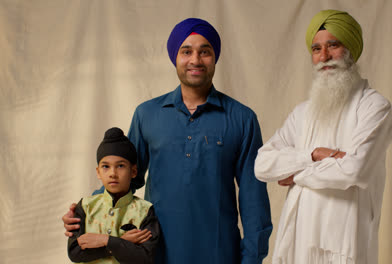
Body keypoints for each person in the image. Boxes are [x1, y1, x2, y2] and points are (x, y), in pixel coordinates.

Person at [64, 18, 272, 264]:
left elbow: (253, 199)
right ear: (175, 57)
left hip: (219, 251)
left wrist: (252, 259)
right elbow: (124, 176)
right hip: (156, 250)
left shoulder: (242, 118)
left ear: (214, 57)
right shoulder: (147, 114)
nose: (195, 60)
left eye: (204, 51)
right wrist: (86, 210)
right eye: (186, 51)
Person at [254, 10, 392, 264]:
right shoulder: (303, 112)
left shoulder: (374, 107)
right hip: (298, 237)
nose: (324, 57)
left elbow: (354, 171)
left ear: (350, 49)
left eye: (333, 45)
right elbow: (262, 164)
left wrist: (295, 175)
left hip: (346, 240)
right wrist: (314, 154)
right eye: (316, 49)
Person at [67, 127, 160, 264]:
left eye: (120, 166)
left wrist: (105, 240)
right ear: (98, 172)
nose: (113, 173)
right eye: (106, 166)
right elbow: (75, 253)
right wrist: (122, 243)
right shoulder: (86, 206)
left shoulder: (145, 211)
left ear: (133, 171)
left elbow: (145, 257)